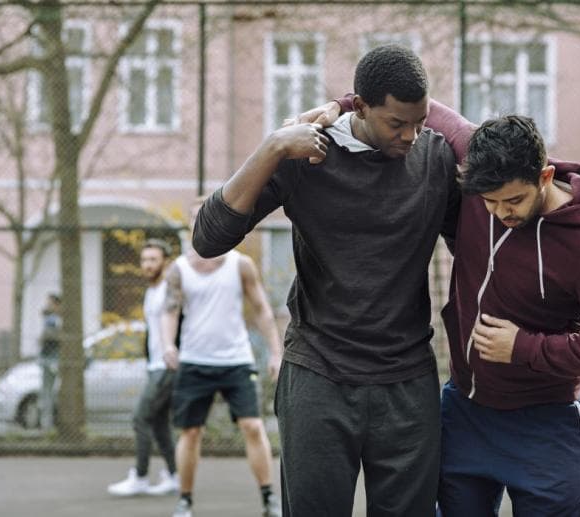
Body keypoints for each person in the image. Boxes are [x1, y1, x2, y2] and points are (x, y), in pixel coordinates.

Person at [300, 103, 580, 515]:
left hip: (545, 423)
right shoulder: (475, 158)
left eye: (513, 200)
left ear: (545, 176)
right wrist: (340, 105)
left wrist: (525, 348)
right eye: (490, 203)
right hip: (465, 411)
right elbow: (410, 101)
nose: (502, 213)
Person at [192, 44, 460, 516]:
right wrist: (273, 146)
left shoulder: (434, 160)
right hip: (319, 374)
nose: (410, 136)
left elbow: (485, 241)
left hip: (407, 380)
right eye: (396, 125)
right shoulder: (306, 154)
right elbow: (209, 238)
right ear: (361, 106)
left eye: (419, 123)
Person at [162, 200, 283, 517]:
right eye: (194, 218)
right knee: (190, 433)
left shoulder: (240, 264)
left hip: (236, 361)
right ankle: (184, 501)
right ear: (190, 225)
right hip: (194, 361)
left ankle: (269, 498)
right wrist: (167, 345)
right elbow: (169, 312)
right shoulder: (179, 269)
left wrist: (275, 351)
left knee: (254, 427)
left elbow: (261, 309)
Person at [108, 238, 180, 497]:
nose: (147, 265)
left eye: (153, 259)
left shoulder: (170, 290)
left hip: (167, 366)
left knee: (140, 418)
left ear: (165, 262)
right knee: (159, 422)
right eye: (144, 260)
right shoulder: (151, 291)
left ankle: (139, 476)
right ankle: (175, 475)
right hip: (154, 365)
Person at [38, 292, 62, 430]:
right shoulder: (52, 318)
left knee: (48, 391)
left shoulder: (54, 319)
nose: (47, 305)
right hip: (50, 359)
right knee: (49, 391)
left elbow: (50, 337)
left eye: (50, 303)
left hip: (51, 359)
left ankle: (47, 423)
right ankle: (48, 421)